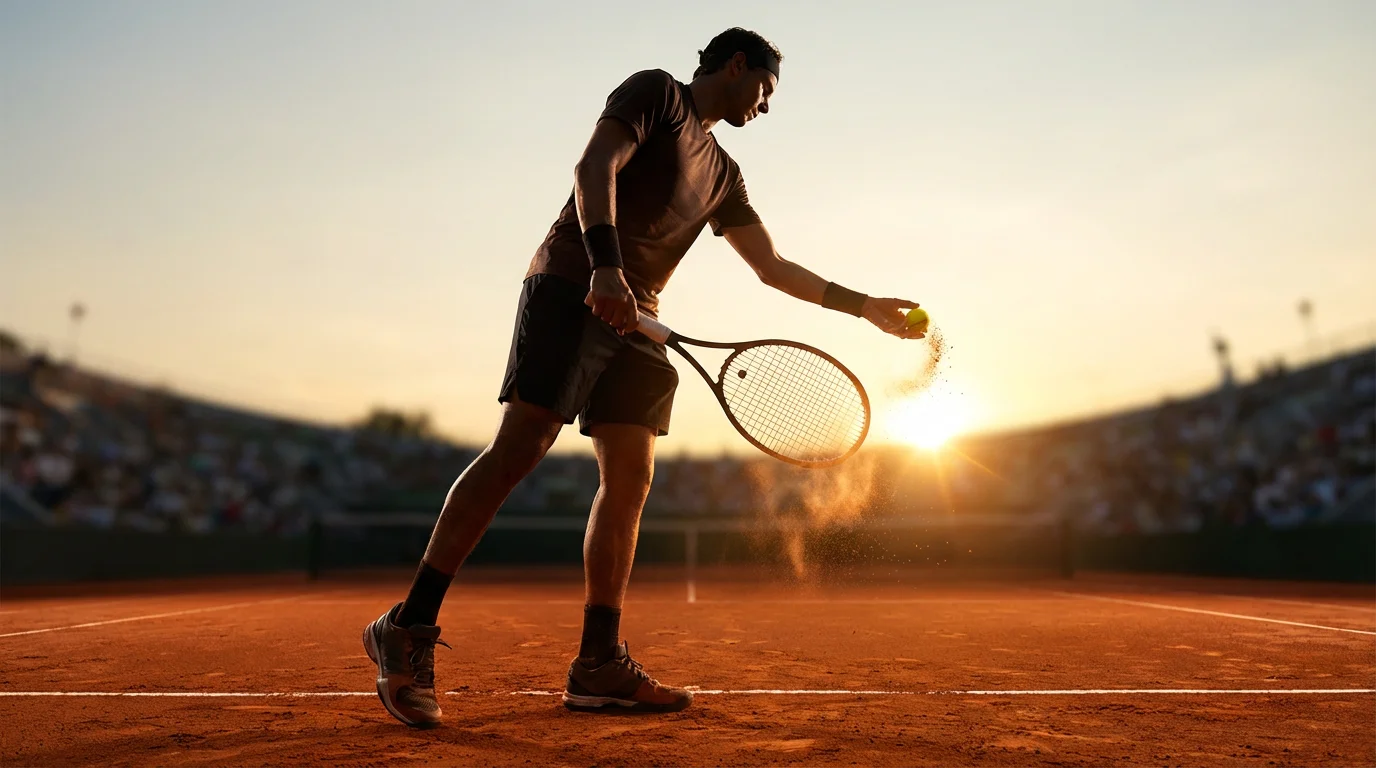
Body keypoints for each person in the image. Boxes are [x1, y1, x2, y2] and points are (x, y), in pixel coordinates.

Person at [362, 27, 926, 728]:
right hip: (576, 281)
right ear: (737, 65)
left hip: (639, 321)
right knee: (523, 444)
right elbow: (593, 166)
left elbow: (771, 266)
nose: (767, 107)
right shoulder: (657, 92)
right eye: (767, 90)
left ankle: (598, 662)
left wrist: (864, 306)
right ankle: (408, 626)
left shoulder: (725, 172)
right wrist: (604, 264)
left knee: (631, 475)